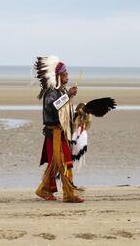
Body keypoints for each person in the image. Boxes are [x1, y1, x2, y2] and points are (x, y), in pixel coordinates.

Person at [34, 56, 84, 203]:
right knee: (63, 162)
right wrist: (68, 95)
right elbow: (52, 107)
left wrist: (78, 114)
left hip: (60, 132)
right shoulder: (52, 91)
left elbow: (63, 113)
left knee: (58, 163)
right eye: (65, 73)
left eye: (67, 73)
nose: (67, 75)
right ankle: (68, 194)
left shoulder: (60, 91)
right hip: (54, 133)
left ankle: (44, 189)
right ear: (58, 76)